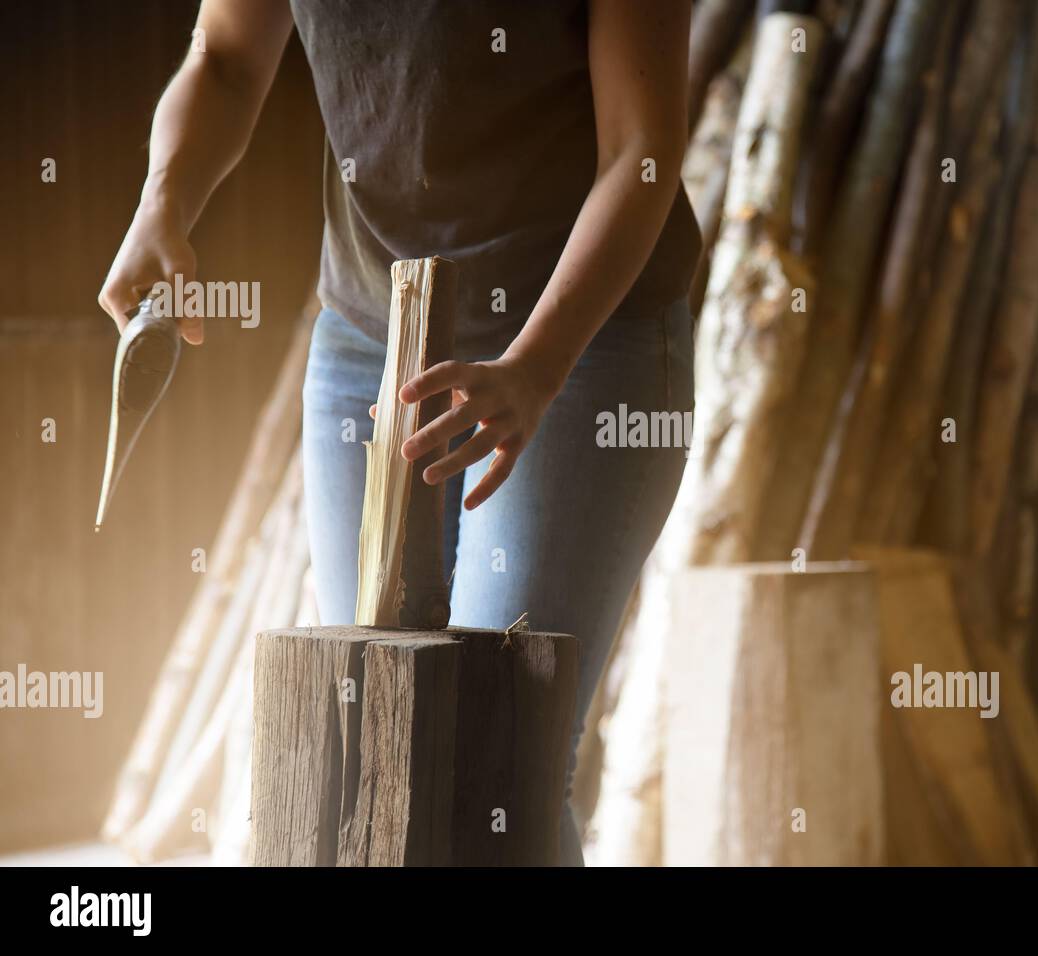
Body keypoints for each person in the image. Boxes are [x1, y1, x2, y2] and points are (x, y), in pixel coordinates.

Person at [98, 0, 700, 865]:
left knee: (502, 770)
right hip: (370, 335)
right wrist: (162, 202)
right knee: (377, 734)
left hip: (584, 341)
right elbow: (224, 59)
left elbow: (640, 152)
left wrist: (535, 368)